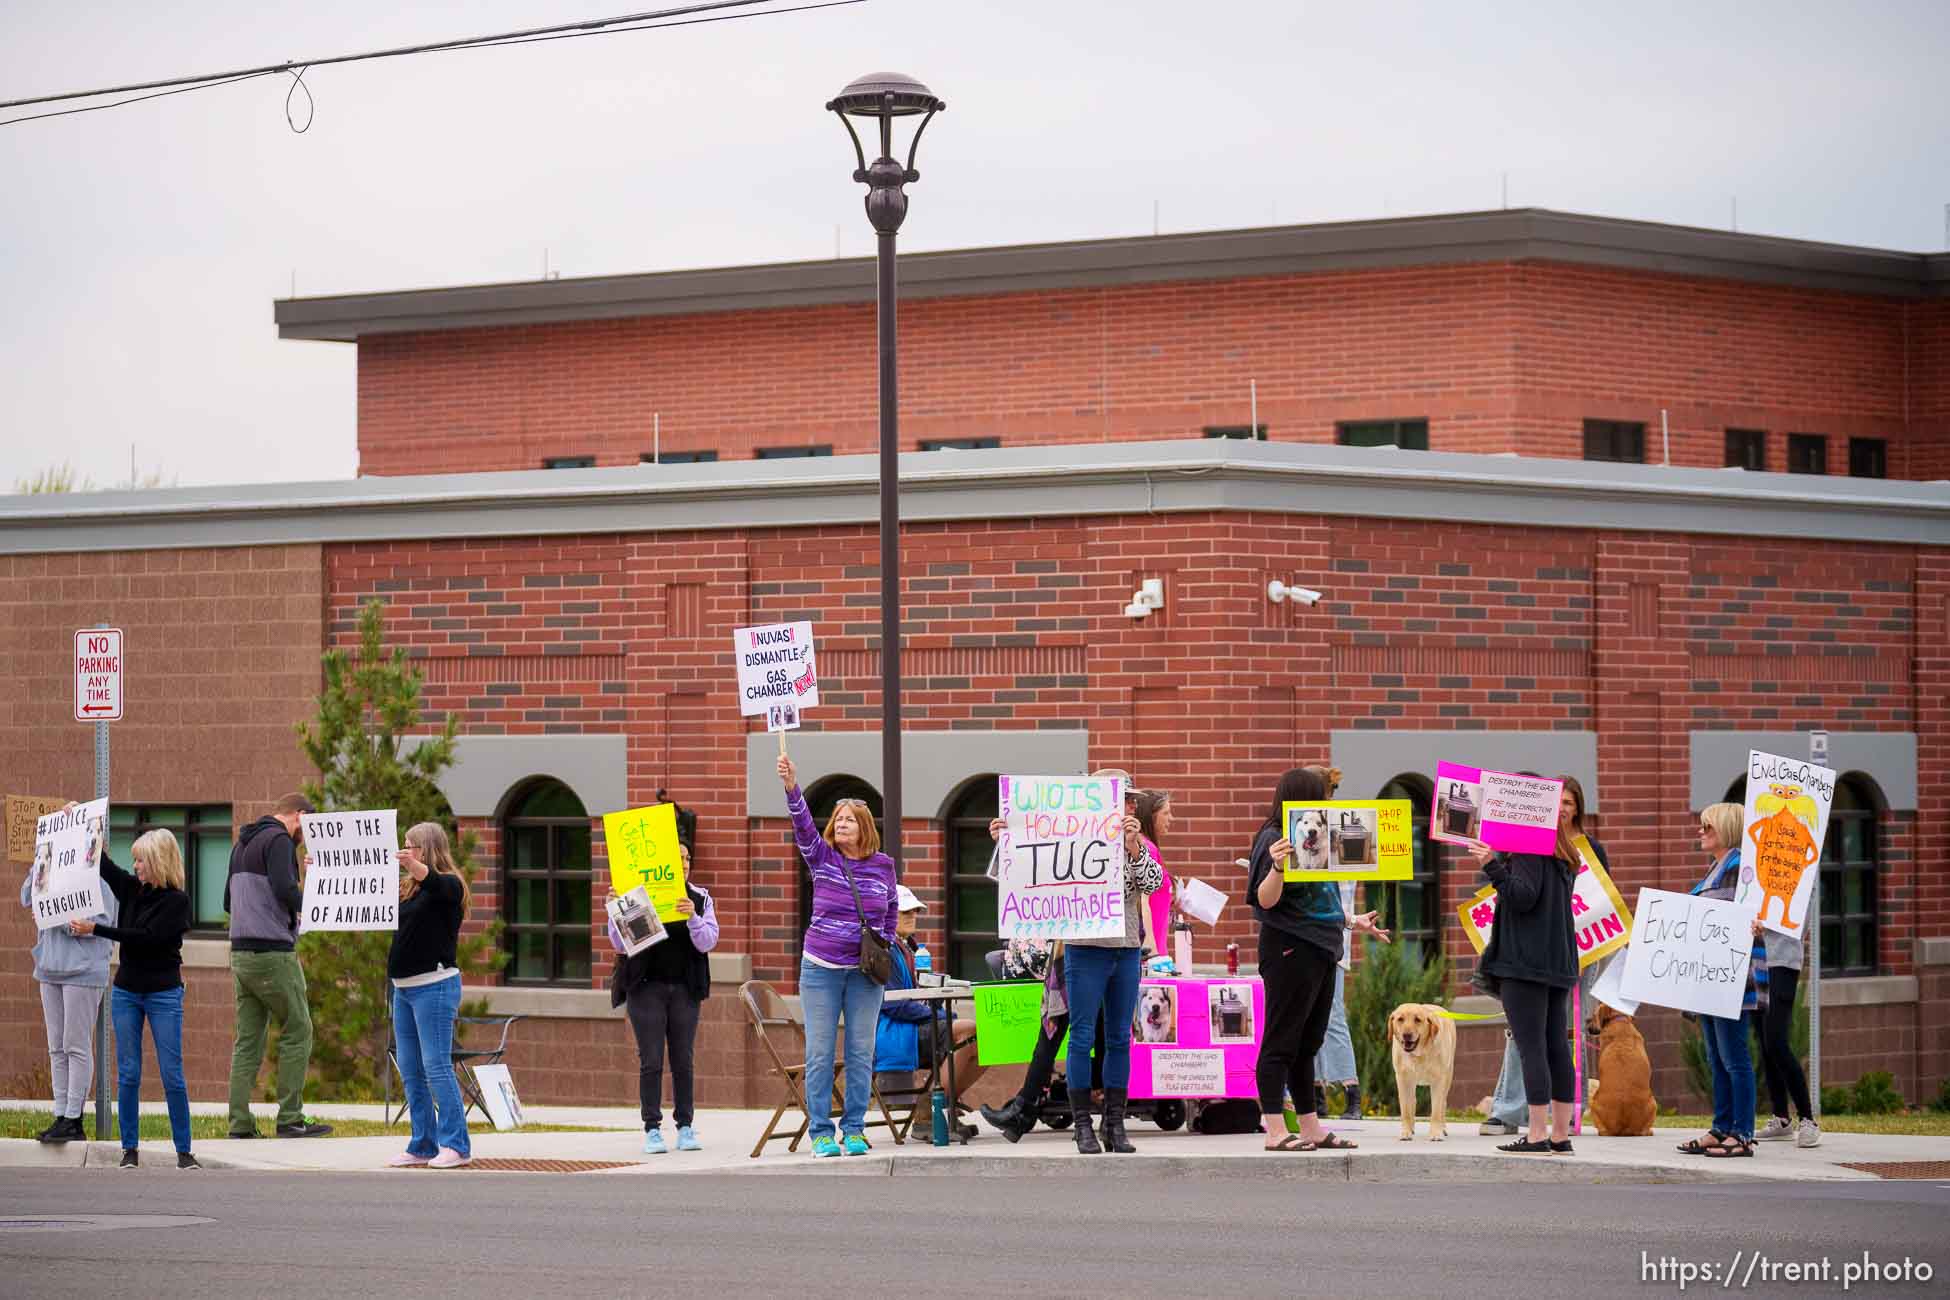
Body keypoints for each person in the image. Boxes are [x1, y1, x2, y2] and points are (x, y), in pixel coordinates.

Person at [1251, 766, 1388, 1151]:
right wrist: (1278, 865)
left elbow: (1320, 901)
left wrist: (1352, 920)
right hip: (1289, 950)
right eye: (1320, 797)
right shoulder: (1274, 838)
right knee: (1281, 1038)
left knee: (1307, 1043)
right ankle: (1276, 1128)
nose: (1327, 804)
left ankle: (1311, 1127)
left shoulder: (1320, 839)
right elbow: (1265, 900)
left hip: (1323, 948)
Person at [779, 753, 898, 1158]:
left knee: (862, 1052)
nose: (841, 823)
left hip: (865, 974)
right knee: (820, 1052)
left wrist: (883, 941)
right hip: (821, 970)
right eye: (838, 819)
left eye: (848, 819)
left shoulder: (883, 865)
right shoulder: (822, 856)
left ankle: (855, 1129)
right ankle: (821, 1132)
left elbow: (892, 907)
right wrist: (792, 786)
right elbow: (802, 825)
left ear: (863, 827)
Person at [1479, 776, 1609, 1137]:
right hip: (1558, 963)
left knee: (1531, 1048)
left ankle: (1536, 1134)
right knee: (1555, 1047)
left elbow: (1523, 896)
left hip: (1526, 964)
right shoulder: (1563, 848)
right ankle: (1559, 1136)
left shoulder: (1528, 848)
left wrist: (1491, 864)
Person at [68, 825, 196, 1169]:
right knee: (128, 1072)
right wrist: (81, 826)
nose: (135, 866)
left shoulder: (178, 903)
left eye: (140, 860)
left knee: (172, 1073)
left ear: (157, 861)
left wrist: (97, 929)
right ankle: (129, 1149)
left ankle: (184, 1152)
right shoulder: (131, 889)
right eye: (135, 861)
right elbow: (101, 864)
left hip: (164, 994)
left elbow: (145, 938)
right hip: (126, 992)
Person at [1062, 789, 1163, 1155]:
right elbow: (1030, 869)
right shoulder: (1071, 838)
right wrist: (1008, 838)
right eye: (1124, 800)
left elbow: (1152, 884)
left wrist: (1134, 848)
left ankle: (1114, 1123)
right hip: (1087, 950)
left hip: (1124, 950)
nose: (1131, 806)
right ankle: (1082, 1124)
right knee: (1082, 1035)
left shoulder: (1137, 845)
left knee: (1120, 1036)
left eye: (1133, 800)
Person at [224, 792, 330, 1139]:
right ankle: (290, 1119)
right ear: (299, 816)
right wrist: (315, 901)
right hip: (272, 953)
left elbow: (227, 900)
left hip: (240, 953)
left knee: (248, 1040)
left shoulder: (241, 845)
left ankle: (239, 1124)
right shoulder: (280, 840)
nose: (305, 838)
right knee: (298, 1028)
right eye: (308, 827)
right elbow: (286, 890)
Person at [609, 842, 719, 1155]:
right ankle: (652, 1129)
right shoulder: (640, 895)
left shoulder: (699, 897)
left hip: (685, 988)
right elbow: (621, 944)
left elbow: (707, 941)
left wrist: (692, 917)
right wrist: (618, 909)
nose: (684, 863)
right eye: (678, 858)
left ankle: (685, 1126)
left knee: (683, 1058)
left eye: (687, 858)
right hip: (646, 988)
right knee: (651, 1059)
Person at [1677, 801, 1765, 1159]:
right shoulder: (1716, 869)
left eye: (1707, 827)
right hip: (1710, 980)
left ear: (1726, 830)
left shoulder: (1740, 869)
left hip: (1732, 979)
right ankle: (1722, 1126)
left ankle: (1742, 1132)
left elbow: (1753, 913)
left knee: (1734, 1058)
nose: (1700, 832)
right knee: (1716, 1058)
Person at [386, 821, 473, 1169]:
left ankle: (456, 1144)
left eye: (410, 845)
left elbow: (435, 883)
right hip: (403, 991)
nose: (404, 850)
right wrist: (326, 873)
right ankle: (423, 1142)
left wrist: (412, 866)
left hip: (434, 986)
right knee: (410, 1068)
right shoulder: (408, 889)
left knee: (436, 1065)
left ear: (426, 849)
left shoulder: (449, 886)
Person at [22, 839, 117, 1144]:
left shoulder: (99, 880)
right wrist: (39, 867)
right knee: (56, 1047)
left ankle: (74, 1118)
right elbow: (27, 896)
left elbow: (101, 924)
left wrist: (58, 920)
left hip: (83, 970)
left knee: (75, 1045)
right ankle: (61, 1114)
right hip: (50, 967)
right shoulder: (51, 872)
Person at [877, 885, 984, 1135]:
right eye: (904, 911)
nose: (911, 916)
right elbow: (894, 1005)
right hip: (893, 1032)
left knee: (986, 1039)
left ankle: (941, 1102)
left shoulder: (910, 948)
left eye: (914, 911)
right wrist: (938, 1015)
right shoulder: (884, 949)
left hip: (910, 1026)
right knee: (970, 1033)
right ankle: (930, 1112)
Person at [1299, 764, 1361, 1122]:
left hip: (1333, 934)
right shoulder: (1304, 825)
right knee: (1312, 1016)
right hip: (1311, 934)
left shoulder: (1336, 828)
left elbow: (1343, 889)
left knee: (1333, 1014)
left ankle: (1350, 1090)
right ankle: (1318, 1091)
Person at [1752, 880, 1819, 1148]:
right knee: (1765, 1042)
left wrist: (1766, 923)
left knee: (1777, 1041)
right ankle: (1781, 1118)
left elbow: (1800, 920)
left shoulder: (1803, 866)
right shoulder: (1760, 860)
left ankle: (1808, 1120)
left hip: (1783, 960)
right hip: (1757, 956)